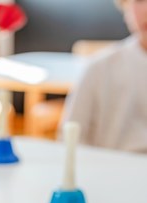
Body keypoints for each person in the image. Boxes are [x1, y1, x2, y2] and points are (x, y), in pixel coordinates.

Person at [61, 0, 147, 152]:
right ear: (125, 7)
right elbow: (71, 135)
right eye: (139, 1)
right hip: (112, 167)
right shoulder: (100, 67)